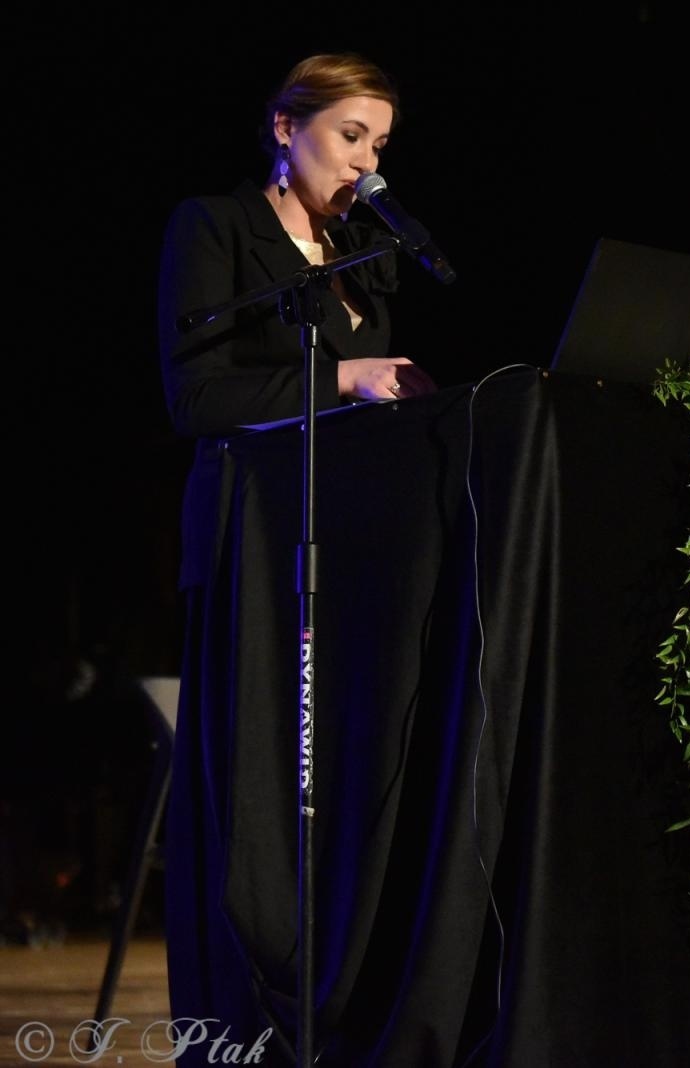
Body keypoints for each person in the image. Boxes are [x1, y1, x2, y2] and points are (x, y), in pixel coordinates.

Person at [157, 53, 435, 1051]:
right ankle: (247, 1013)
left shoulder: (365, 251)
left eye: (381, 145)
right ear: (286, 127)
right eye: (351, 135)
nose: (365, 160)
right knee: (263, 789)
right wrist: (346, 379)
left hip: (350, 552)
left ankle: (342, 993)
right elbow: (197, 399)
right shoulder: (217, 228)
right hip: (249, 544)